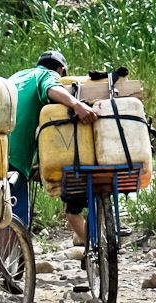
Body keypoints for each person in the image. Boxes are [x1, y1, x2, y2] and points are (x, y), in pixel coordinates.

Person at [7, 51, 97, 241]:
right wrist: (76, 105)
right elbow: (51, 89)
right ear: (60, 70)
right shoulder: (47, 75)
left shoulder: (16, 77)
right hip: (16, 154)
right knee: (16, 216)